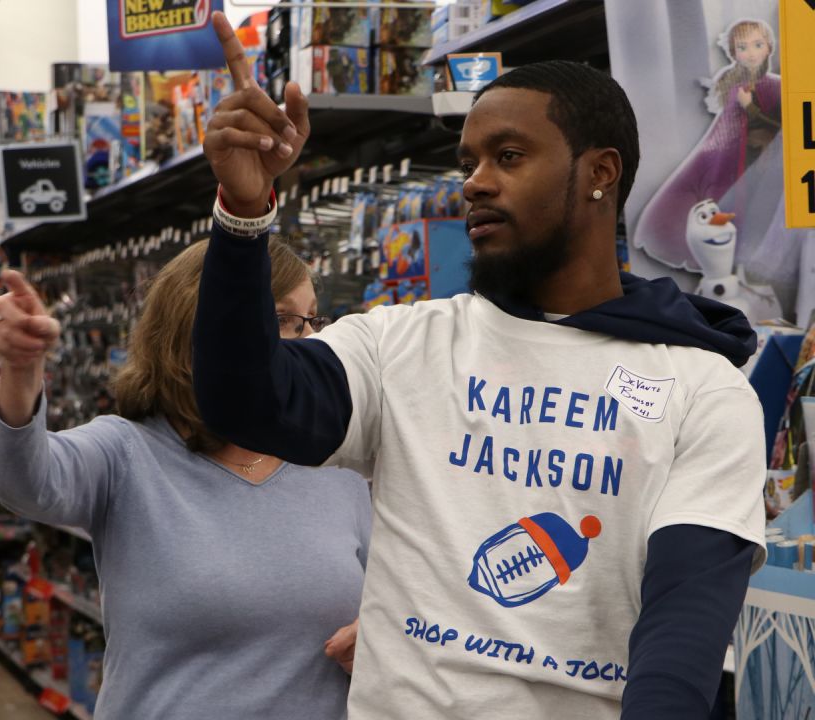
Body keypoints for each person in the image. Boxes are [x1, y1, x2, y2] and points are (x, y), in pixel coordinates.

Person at [192, 12, 765, 720]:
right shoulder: (402, 344)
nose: (474, 184)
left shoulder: (703, 389)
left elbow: (683, 633)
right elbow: (244, 403)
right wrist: (245, 212)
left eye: (510, 156)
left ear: (600, 173)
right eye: (468, 164)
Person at [0, 239, 371, 720]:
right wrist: (21, 373)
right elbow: (23, 481)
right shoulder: (125, 453)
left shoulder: (338, 465)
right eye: (283, 319)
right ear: (203, 328)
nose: (307, 342)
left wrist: (381, 633)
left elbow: (398, 595)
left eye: (312, 320)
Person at [631, 18, 781, 271]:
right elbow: (727, 122)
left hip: (758, 159)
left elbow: (782, 124)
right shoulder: (732, 80)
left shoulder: (776, 86)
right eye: (742, 47)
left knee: (742, 208)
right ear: (733, 52)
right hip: (723, 153)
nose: (751, 53)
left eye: (757, 45)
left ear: (768, 46)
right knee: (709, 203)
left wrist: (750, 108)